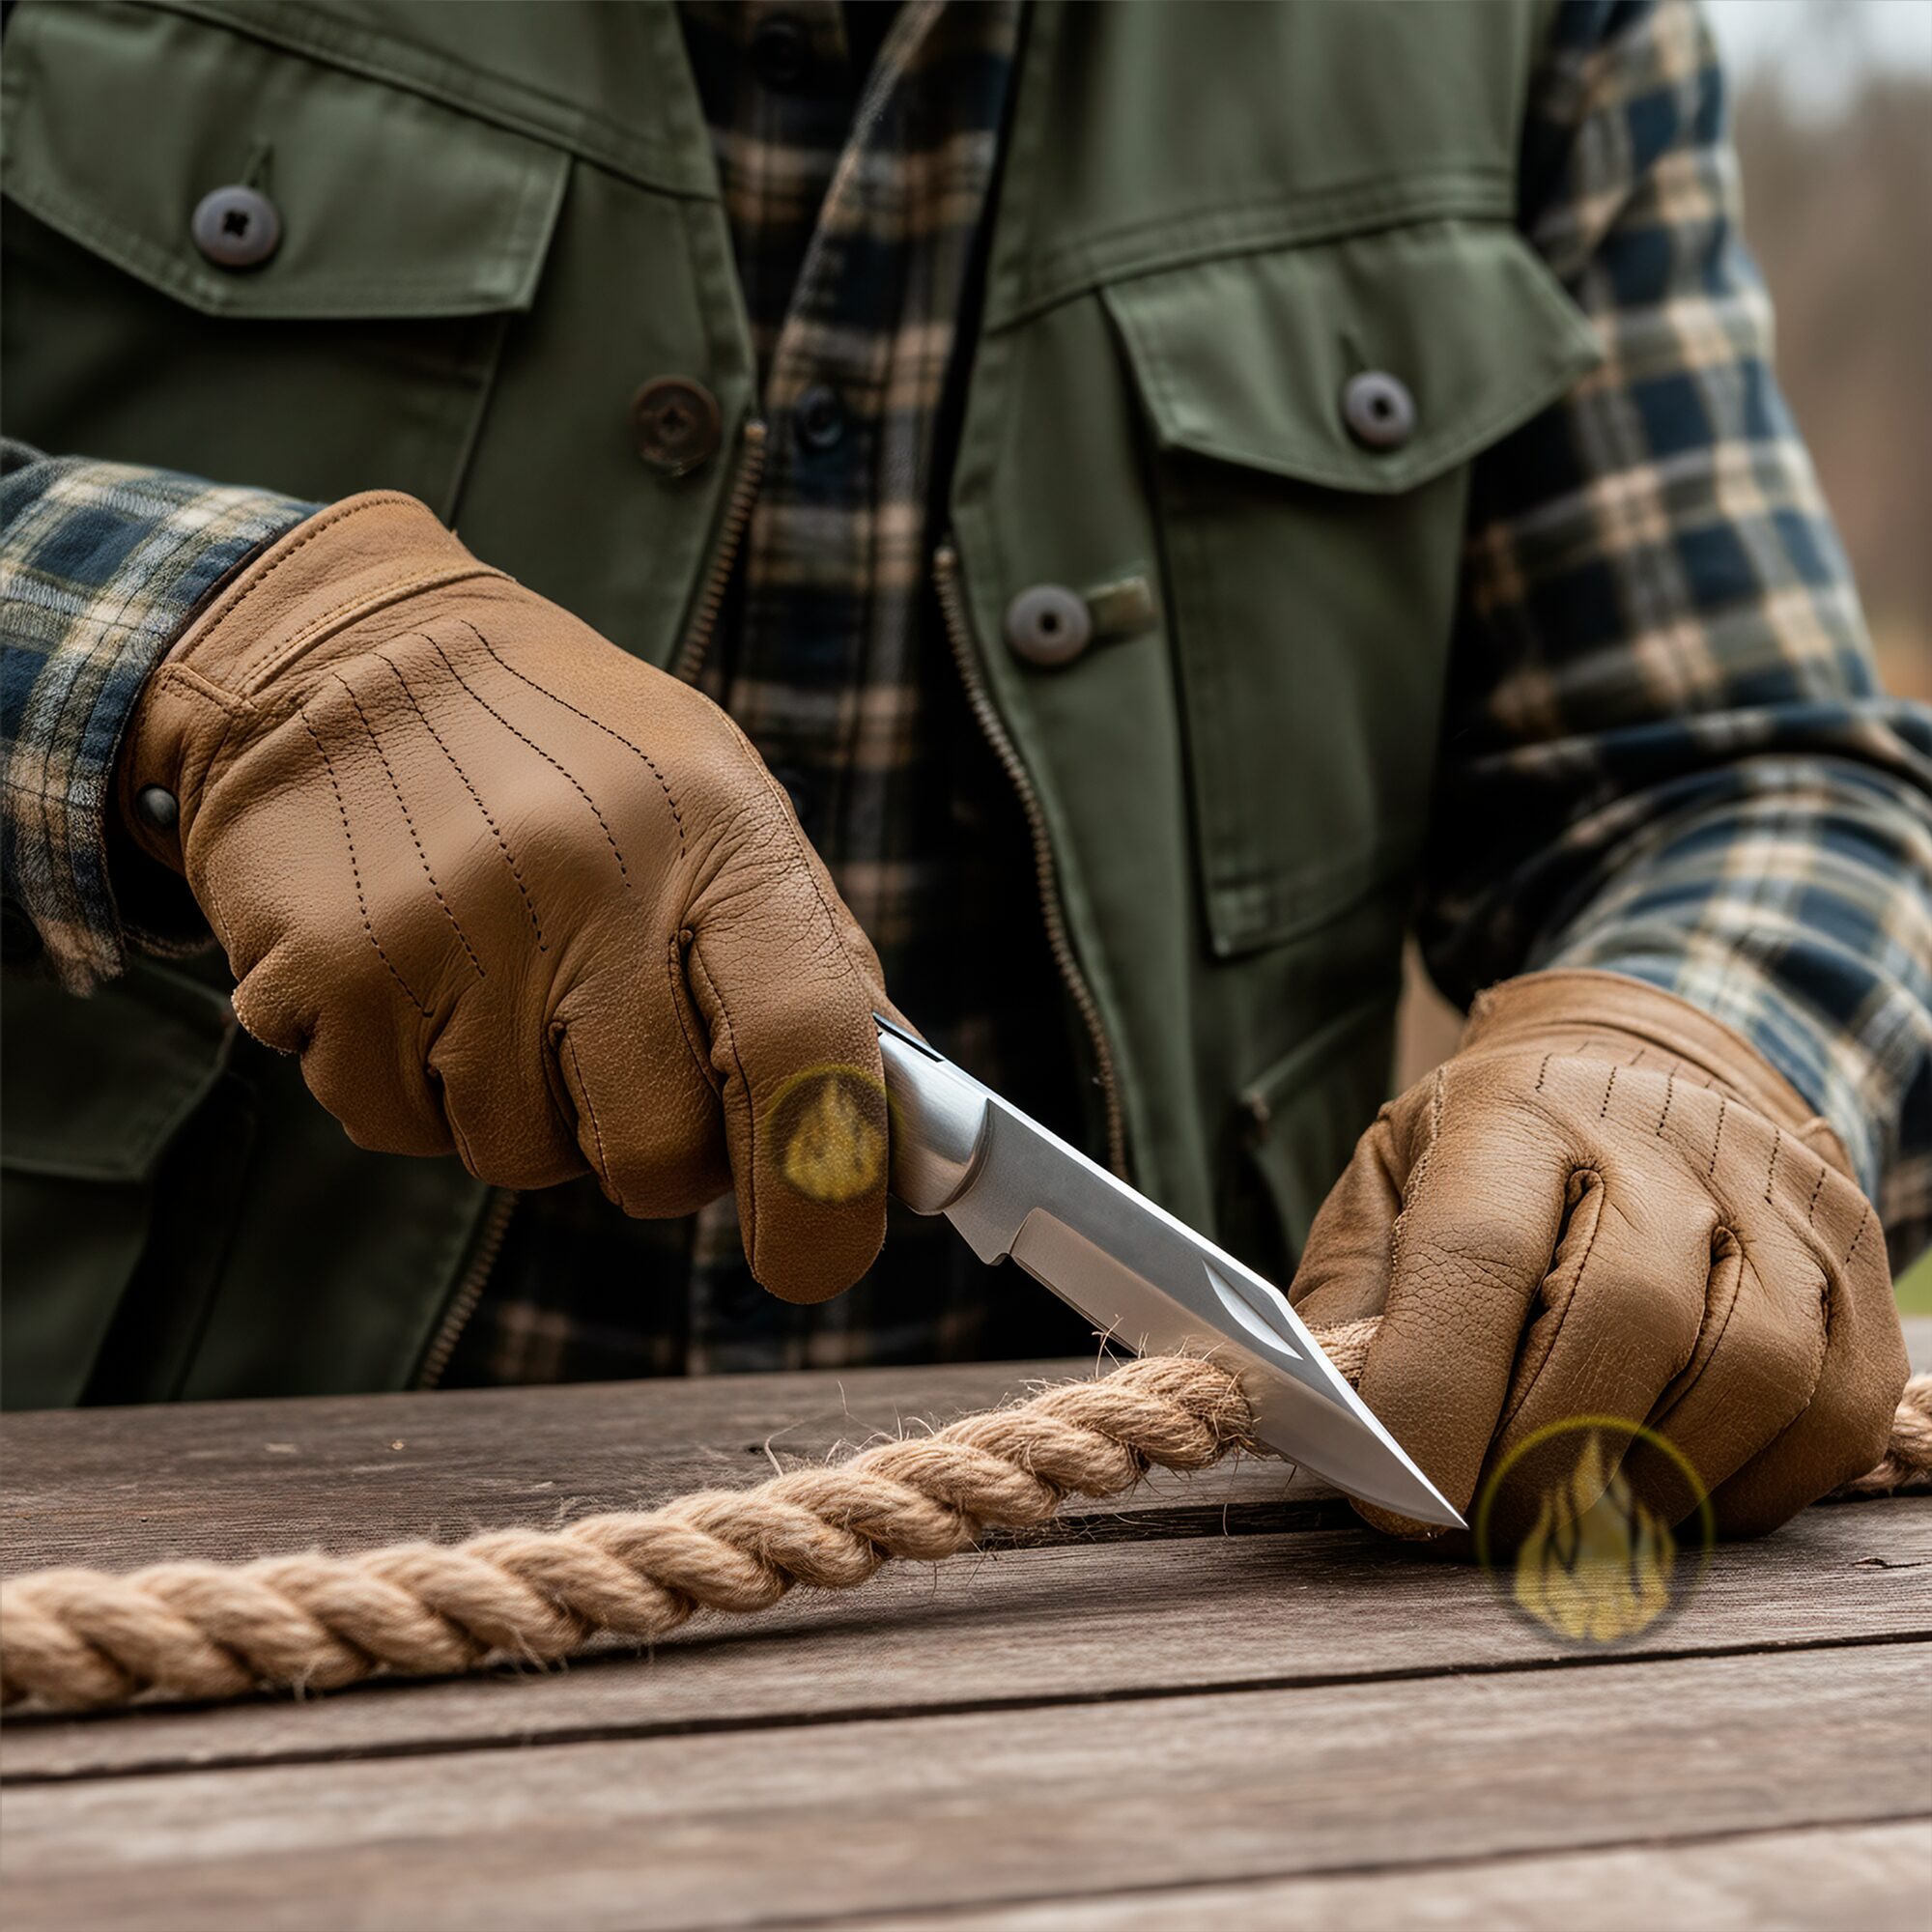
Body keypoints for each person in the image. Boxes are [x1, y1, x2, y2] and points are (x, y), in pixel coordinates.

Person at [3, 0, 1926, 1538]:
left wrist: (1691, 1058)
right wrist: (186, 653)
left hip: (1144, 1657)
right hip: (137, 1550)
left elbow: (1748, 780)